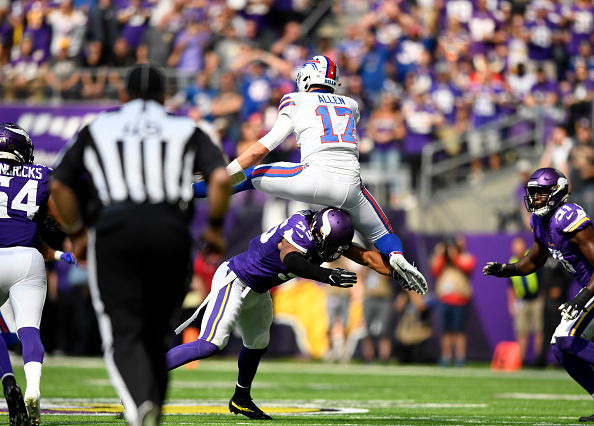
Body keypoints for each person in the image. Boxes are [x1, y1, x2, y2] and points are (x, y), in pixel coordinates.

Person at [50, 63, 232, 426]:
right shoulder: (188, 126)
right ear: (165, 96)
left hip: (116, 228)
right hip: (171, 232)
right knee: (157, 331)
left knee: (123, 329)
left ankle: (139, 408)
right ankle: (152, 406)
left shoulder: (98, 126)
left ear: (122, 95)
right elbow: (221, 179)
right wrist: (213, 228)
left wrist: (78, 232)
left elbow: (58, 185)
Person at [192, 55, 428, 296]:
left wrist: (224, 174)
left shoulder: (295, 99)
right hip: (351, 188)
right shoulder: (351, 105)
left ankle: (191, 190)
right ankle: (397, 257)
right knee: (385, 235)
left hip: (314, 177)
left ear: (307, 76)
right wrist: (393, 254)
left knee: (252, 175)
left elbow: (261, 148)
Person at [168, 207, 407, 420]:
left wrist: (399, 272)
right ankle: (142, 376)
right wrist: (327, 276)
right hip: (236, 280)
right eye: (330, 247)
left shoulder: (325, 233)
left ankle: (241, 398)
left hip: (258, 290)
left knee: (257, 344)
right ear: (318, 233)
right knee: (210, 344)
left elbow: (366, 256)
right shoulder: (299, 230)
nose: (332, 254)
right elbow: (291, 259)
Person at [483, 167, 594, 422]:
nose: (535, 199)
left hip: (591, 288)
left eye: (541, 194)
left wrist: (580, 298)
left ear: (557, 192)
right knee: (560, 349)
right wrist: (507, 269)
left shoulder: (568, 216)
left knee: (566, 339)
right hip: (589, 289)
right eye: (533, 194)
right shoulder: (540, 221)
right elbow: (535, 259)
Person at [0, 123, 78, 425]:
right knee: (30, 329)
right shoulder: (41, 175)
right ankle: (33, 387)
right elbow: (63, 222)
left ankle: (8, 381)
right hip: (28, 260)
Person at [431, 235, 476, 367]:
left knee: (459, 331)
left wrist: (453, 255)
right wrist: (440, 254)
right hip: (444, 300)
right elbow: (435, 271)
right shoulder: (441, 260)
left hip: (460, 300)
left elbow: (467, 267)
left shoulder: (466, 257)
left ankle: (460, 358)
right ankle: (446, 357)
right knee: (446, 331)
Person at [506, 236, 544, 364]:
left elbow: (541, 277)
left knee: (539, 330)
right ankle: (520, 360)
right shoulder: (512, 263)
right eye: (515, 246)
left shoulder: (532, 257)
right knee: (522, 331)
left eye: (519, 245)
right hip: (521, 301)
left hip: (536, 299)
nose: (517, 248)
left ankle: (538, 361)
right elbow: (510, 287)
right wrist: (511, 304)